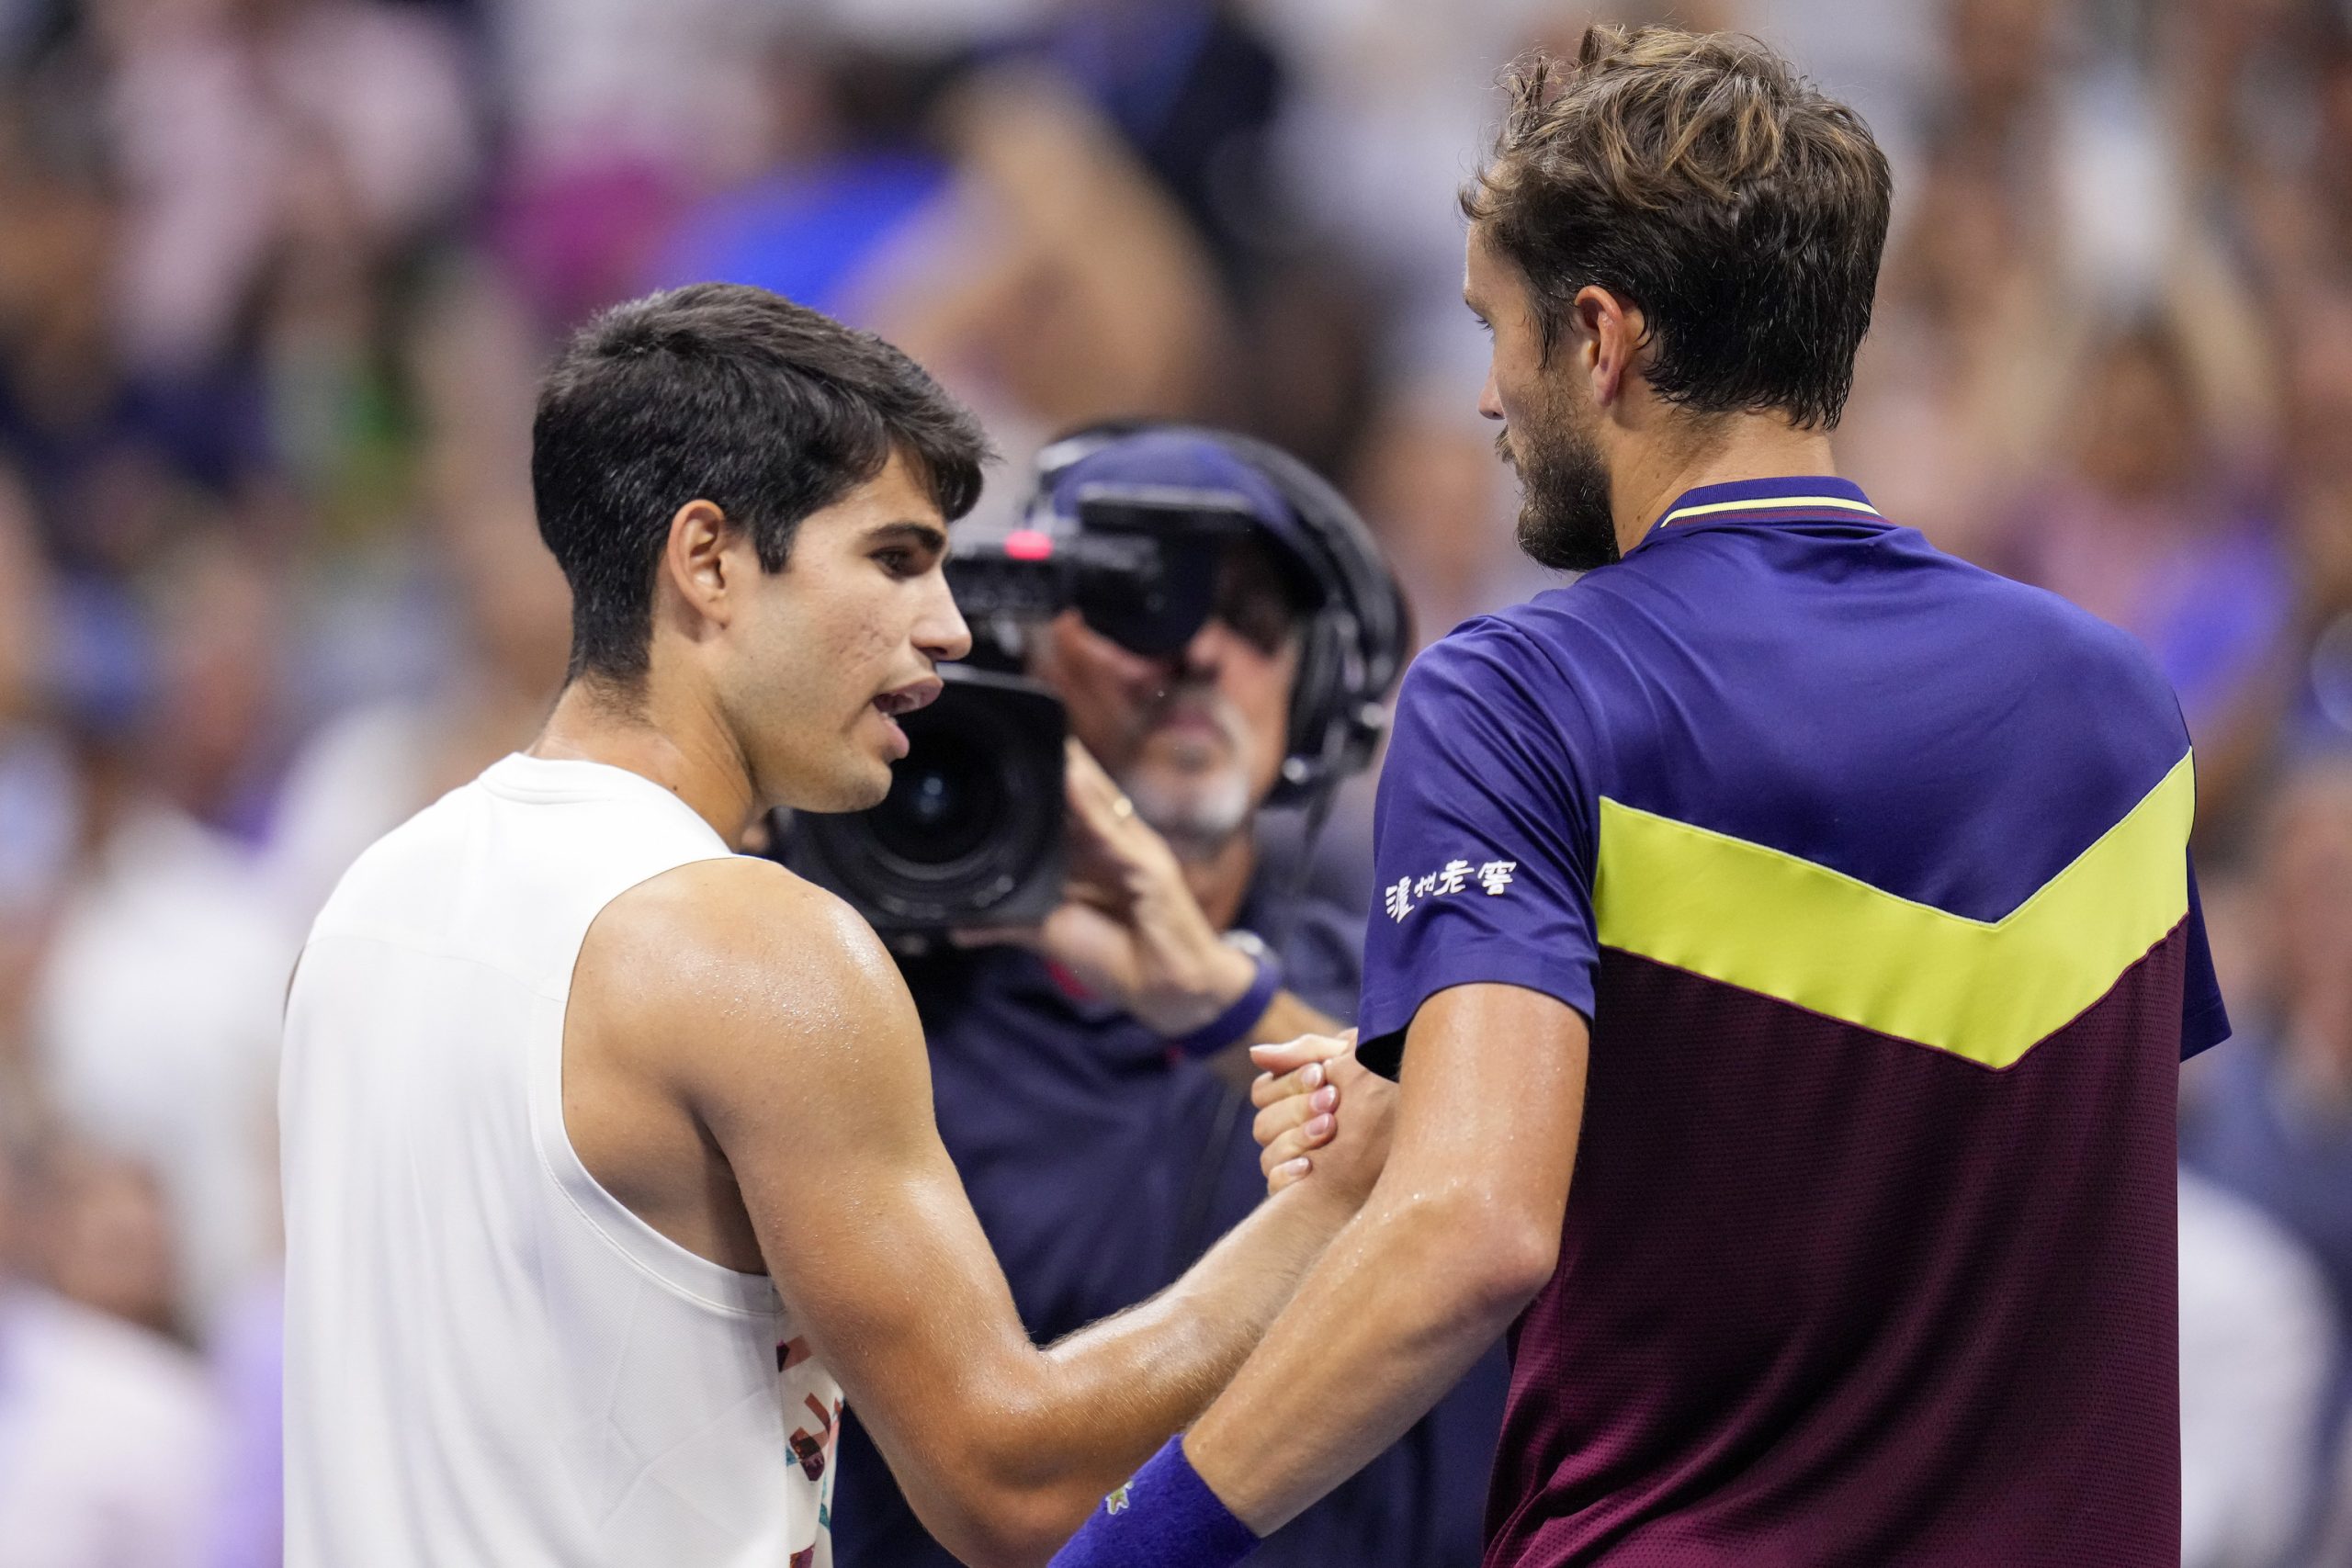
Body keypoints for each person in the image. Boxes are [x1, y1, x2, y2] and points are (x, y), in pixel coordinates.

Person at [1056, 27, 2231, 1568]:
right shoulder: (2121, 705)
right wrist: (1454, 1073)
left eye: (1497, 329)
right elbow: (1933, 1125)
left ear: (1600, 337)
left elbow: (1474, 1228)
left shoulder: (1518, 693)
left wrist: (1122, 1549)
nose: (1486, 396)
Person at [277, 283, 1393, 1568]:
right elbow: (1008, 1480)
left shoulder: (361, 909)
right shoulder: (758, 946)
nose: (952, 627)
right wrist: (1332, 1205)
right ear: (708, 561)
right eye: (896, 558)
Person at [829, 424, 1505, 1568]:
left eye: (1249, 619)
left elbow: (1502, 1179)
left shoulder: (1435, 983)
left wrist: (1222, 1004)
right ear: (1015, 659)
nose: (1194, 654)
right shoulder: (862, 1012)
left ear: (1321, 686)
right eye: (1136, 607)